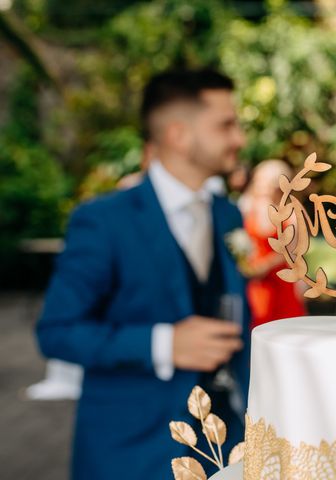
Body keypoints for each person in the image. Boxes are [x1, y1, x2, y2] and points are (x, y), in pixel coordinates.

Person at [36, 68, 251, 480]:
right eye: (226, 124)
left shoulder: (228, 215)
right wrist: (163, 343)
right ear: (178, 135)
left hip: (224, 447)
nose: (239, 139)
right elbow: (56, 331)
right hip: (133, 452)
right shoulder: (102, 221)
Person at [239, 159, 306, 328]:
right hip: (253, 283)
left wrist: (264, 266)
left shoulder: (291, 212)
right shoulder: (246, 206)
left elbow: (293, 251)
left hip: (280, 281)